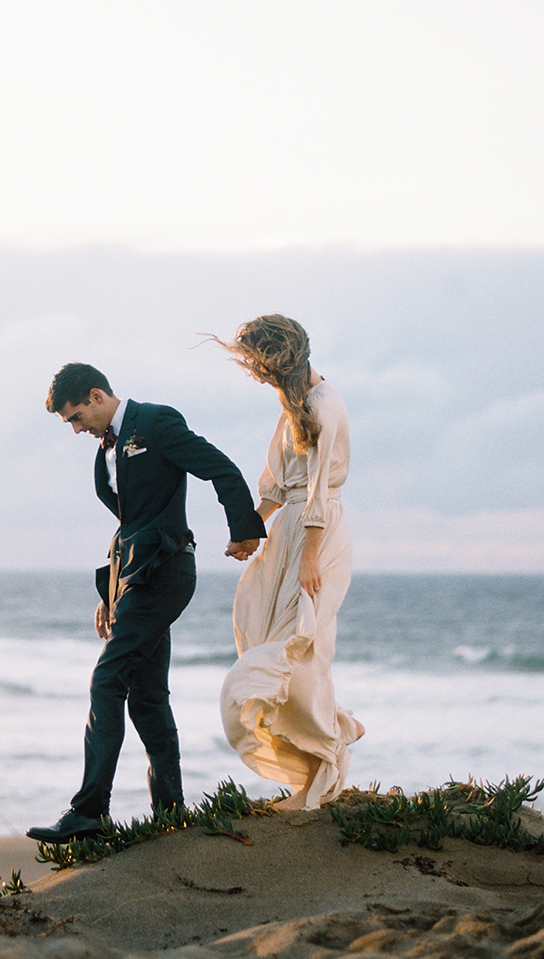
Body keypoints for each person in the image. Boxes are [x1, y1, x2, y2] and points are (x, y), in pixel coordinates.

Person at [28, 362, 268, 843]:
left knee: (107, 678)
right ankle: (171, 812)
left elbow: (219, 467)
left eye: (76, 417)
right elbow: (128, 523)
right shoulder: (106, 451)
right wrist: (108, 593)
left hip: (166, 571)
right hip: (134, 577)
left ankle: (89, 812)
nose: (77, 429)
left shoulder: (155, 422)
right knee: (147, 696)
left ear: (97, 396)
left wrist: (243, 530)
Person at [216, 314, 362, 810]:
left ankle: (327, 754)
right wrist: (250, 535)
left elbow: (318, 489)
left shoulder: (325, 403)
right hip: (286, 534)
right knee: (262, 633)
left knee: (299, 650)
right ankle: (313, 765)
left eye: (258, 365)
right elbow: (277, 485)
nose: (256, 376)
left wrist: (310, 557)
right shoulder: (291, 405)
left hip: (317, 537)